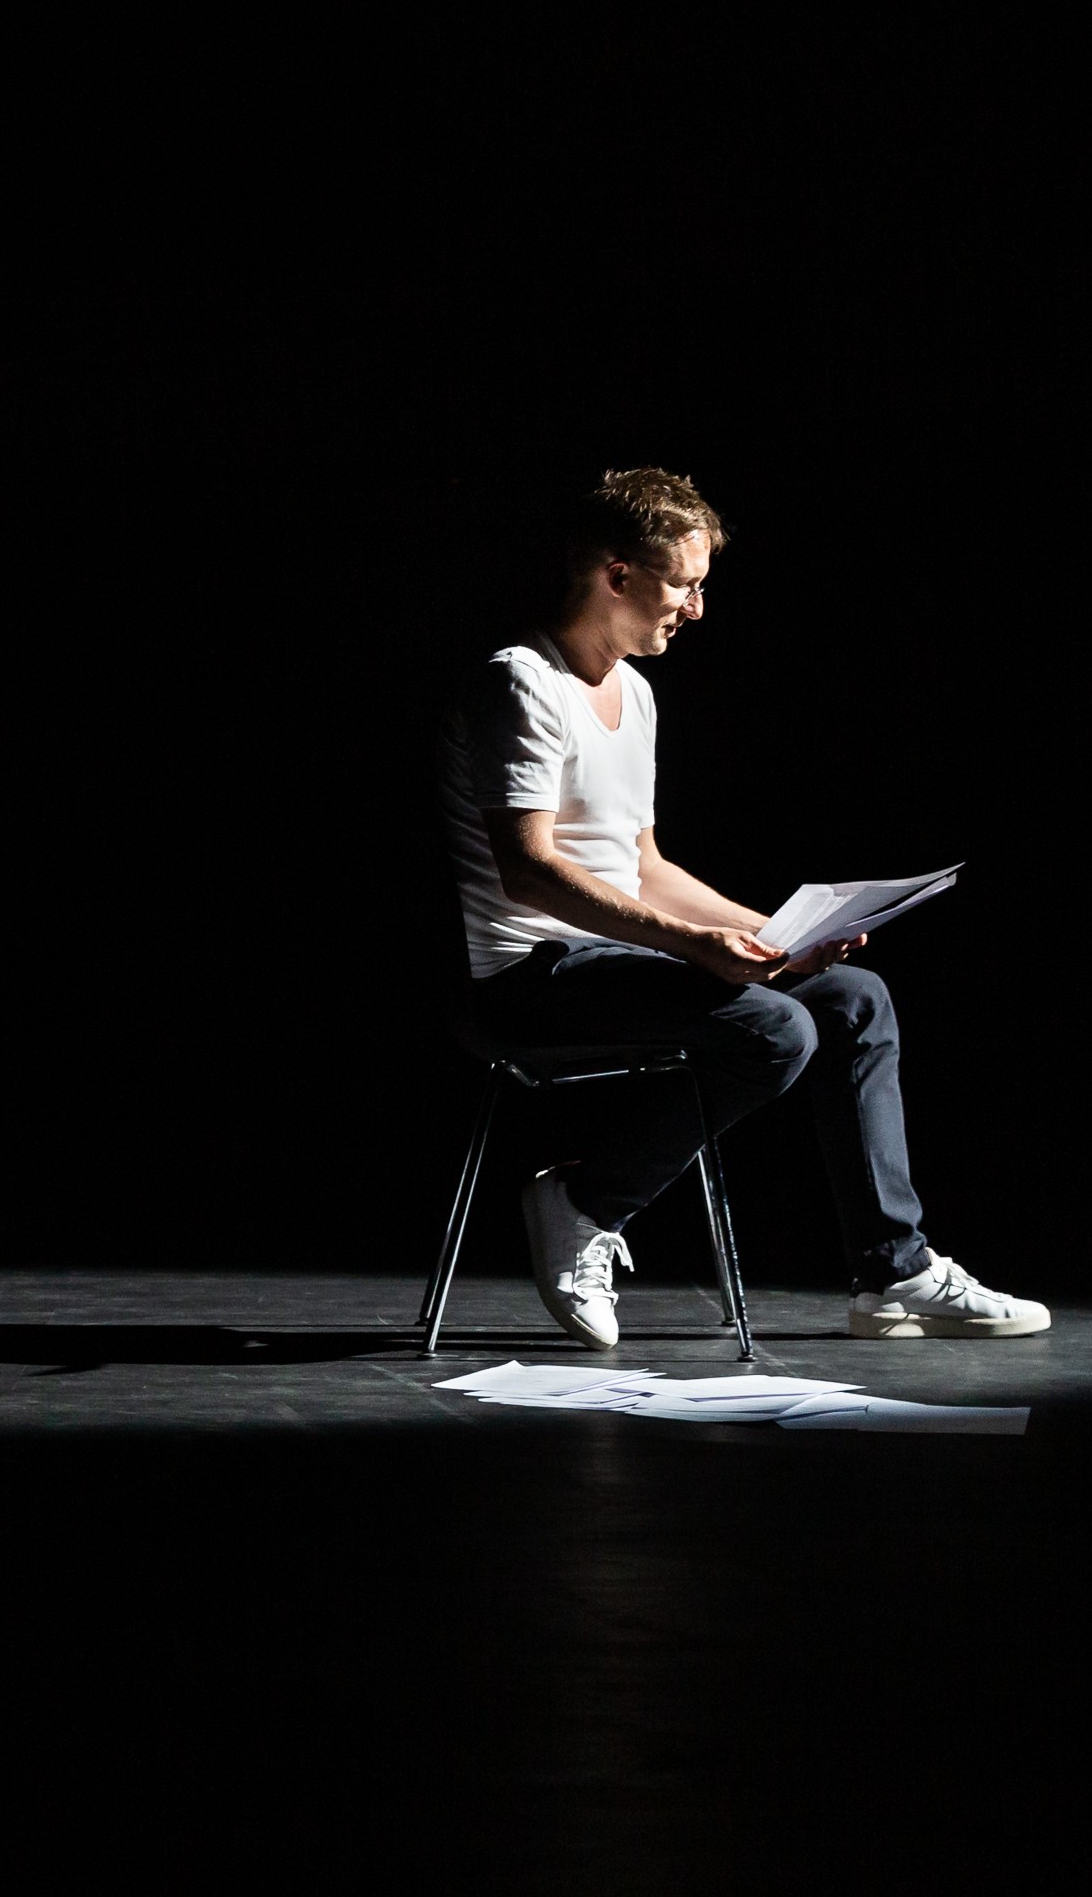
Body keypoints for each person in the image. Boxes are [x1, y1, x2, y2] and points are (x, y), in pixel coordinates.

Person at [436, 466, 1047, 1350]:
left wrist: (774, 939)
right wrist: (700, 946)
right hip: (530, 974)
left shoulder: (635, 692)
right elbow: (529, 873)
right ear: (617, 574)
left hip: (617, 960)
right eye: (684, 583)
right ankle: (582, 1199)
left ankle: (893, 1270)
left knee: (852, 999)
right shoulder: (519, 682)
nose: (695, 606)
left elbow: (640, 865)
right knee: (774, 1031)